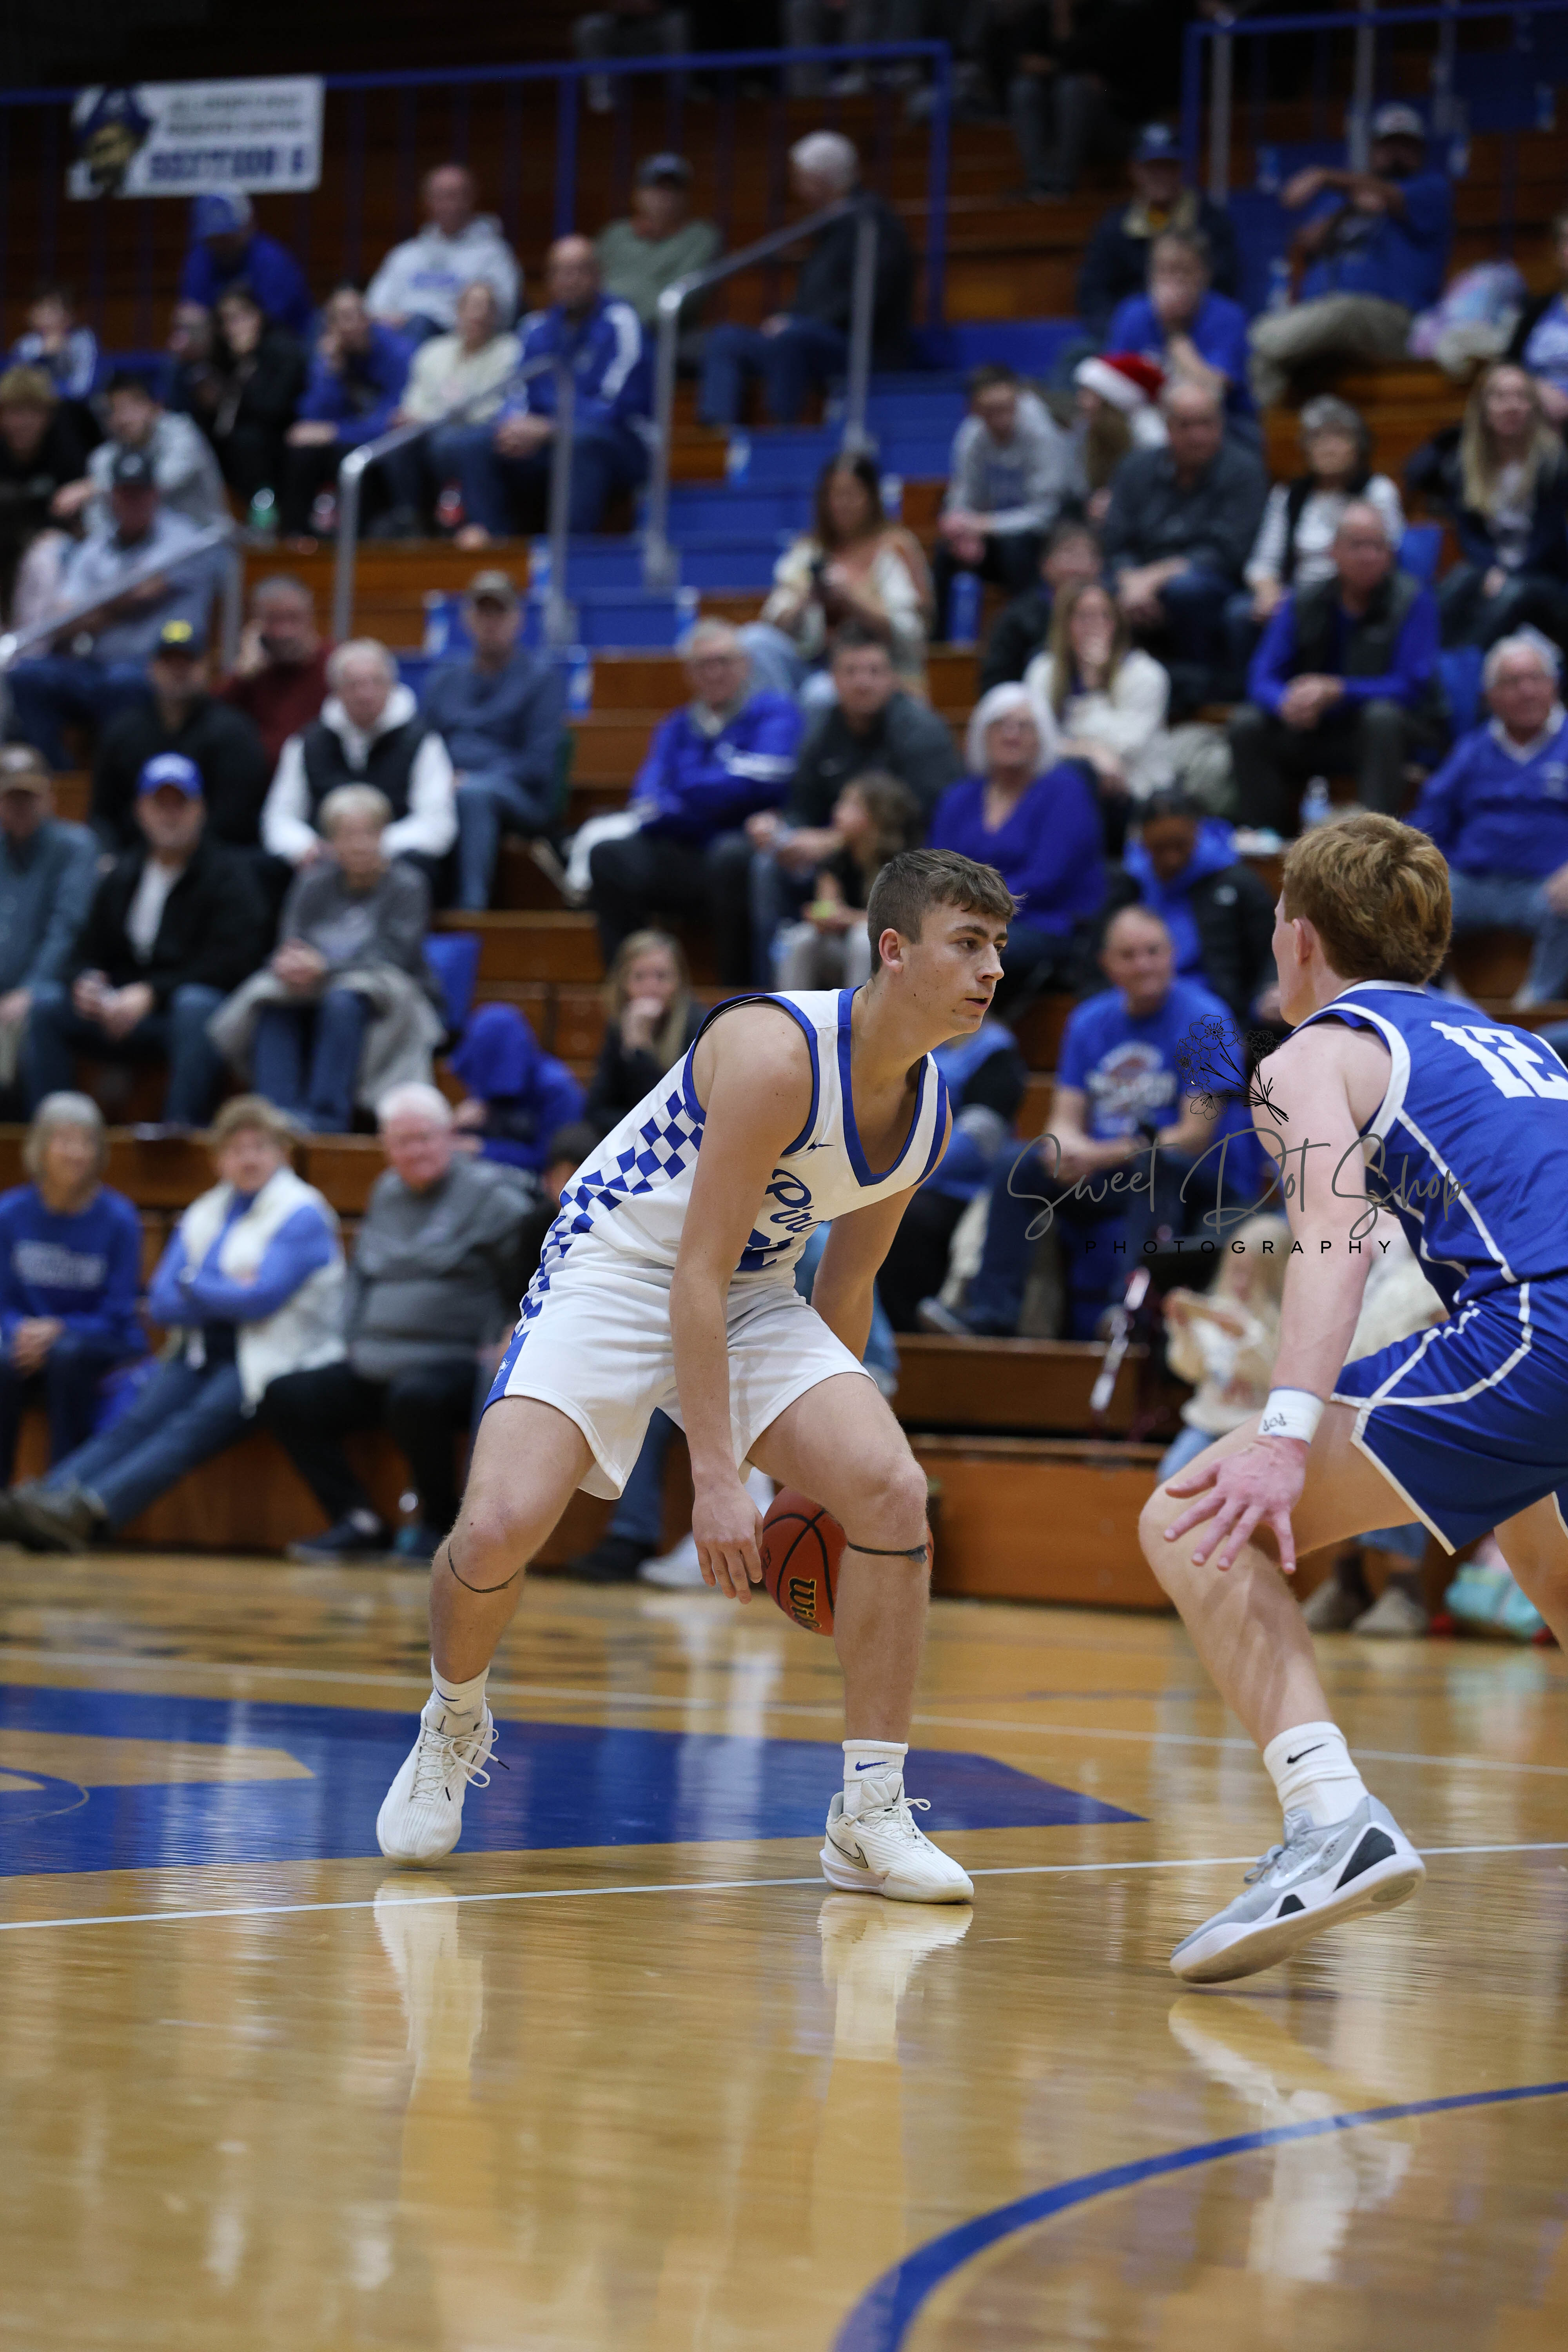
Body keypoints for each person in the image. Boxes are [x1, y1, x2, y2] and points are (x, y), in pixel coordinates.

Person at [369, 844, 1010, 1899]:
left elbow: (846, 1284)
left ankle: (869, 1813)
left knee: (892, 1492)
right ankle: (452, 1718)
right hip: (617, 1266)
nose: (992, 969)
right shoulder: (775, 1054)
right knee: (494, 1529)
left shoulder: (927, 1111)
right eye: (969, 943)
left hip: (752, 1291)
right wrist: (719, 1480)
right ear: (894, 951)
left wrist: (813, 1476)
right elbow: (690, 1276)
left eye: (998, 947)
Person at [1129, 809, 1568, 1982]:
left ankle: (1330, 1819)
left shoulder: (1308, 1055)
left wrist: (1279, 1435)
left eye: (1279, 917)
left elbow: (1331, 1232)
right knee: (1546, 1556)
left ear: (1302, 937)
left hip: (1541, 1328)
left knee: (1190, 1517)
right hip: (1542, 1331)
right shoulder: (1513, 1043)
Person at [0, 1096, 345, 1553]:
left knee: (183, 1433)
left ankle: (86, 1513)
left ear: (283, 1153)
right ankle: (43, 1501)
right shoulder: (207, 1209)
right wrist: (223, 1290)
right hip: (200, 1348)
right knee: (136, 1421)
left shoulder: (303, 1212)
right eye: (236, 1149)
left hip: (270, 1359)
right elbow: (162, 1303)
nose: (248, 1159)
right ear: (218, 1160)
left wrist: (195, 1285)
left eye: (260, 1147)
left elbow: (258, 1301)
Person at [918, 904, 1238, 1340]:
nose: (1143, 964)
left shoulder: (1206, 1020)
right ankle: (991, 1314)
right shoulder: (1088, 1020)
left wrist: (1098, 1154)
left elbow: (1192, 1137)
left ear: (1173, 954)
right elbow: (1063, 1121)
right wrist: (1065, 1149)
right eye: (1129, 955)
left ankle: (1126, 1313)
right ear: (1107, 964)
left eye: (1153, 952)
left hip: (1185, 1177)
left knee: (1155, 1167)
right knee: (1018, 1163)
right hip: (1105, 1171)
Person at [258, 1082, 531, 1564]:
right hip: (373, 1363)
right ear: (386, 1148)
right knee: (286, 1396)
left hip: (453, 1363)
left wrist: (510, 1329)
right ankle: (356, 1519)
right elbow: (362, 1275)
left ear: (449, 1137)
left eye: (425, 1138)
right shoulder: (385, 1191)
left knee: (414, 1396)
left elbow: (535, 1258)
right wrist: (348, 1339)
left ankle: (439, 1525)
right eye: (402, 1142)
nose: (415, 1151)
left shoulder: (491, 1196)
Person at [24, 753, 269, 1129]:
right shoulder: (122, 874)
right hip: (116, 1011)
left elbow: (234, 962)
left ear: (200, 810)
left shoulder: (229, 876)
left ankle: (180, 1130)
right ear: (141, 810)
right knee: (46, 1007)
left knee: (196, 1005)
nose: (170, 815)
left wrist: (153, 993)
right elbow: (83, 951)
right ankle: (53, 1130)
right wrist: (86, 984)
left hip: (177, 1016)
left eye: (180, 804)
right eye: (160, 804)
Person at [211, 786, 444, 1134]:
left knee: (342, 1000)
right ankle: (277, 1116)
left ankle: (327, 1119)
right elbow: (291, 941)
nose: (360, 844)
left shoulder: (409, 885)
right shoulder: (312, 882)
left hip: (388, 992)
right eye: (349, 835)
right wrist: (290, 963)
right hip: (313, 986)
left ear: (385, 836)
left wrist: (327, 967)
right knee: (273, 1000)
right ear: (330, 842)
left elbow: (394, 955)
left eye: (369, 833)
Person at [587, 620, 802, 984]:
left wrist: (684, 793)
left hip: (741, 849)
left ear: (746, 665)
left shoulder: (774, 711)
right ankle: (628, 989)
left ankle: (735, 995)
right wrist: (720, 794)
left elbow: (768, 778)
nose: (715, 673)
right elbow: (646, 804)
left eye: (724, 661)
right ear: (689, 674)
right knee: (608, 856)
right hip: (686, 851)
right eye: (704, 665)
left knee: (730, 857)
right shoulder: (674, 727)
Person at [746, 627, 960, 969]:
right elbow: (802, 806)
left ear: (893, 678)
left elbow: (924, 818)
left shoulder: (922, 732)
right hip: (836, 861)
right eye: (851, 672)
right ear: (833, 679)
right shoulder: (821, 729)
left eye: (875, 671)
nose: (863, 683)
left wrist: (837, 838)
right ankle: (764, 982)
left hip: (904, 859)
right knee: (767, 865)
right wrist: (782, 832)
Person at [1229, 501, 1443, 838]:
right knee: (1247, 724)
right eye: (1358, 545)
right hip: (1312, 727)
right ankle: (1264, 838)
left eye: (1378, 546)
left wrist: (1339, 690)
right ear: (1334, 551)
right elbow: (1261, 675)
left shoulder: (1413, 601)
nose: (1369, 556)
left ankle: (1375, 842)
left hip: (1378, 737)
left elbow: (1411, 686)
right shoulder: (1304, 599)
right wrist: (1286, 702)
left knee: (1381, 718)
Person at [6, 452, 227, 771]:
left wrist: (98, 607)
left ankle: (117, 782)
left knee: (123, 684)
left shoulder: (185, 539)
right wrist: (121, 604)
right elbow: (63, 619)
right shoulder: (96, 547)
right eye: (125, 493)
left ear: (155, 495)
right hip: (96, 664)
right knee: (28, 675)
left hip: (154, 666)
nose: (133, 501)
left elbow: (144, 590)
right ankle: (56, 777)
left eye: (140, 492)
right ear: (112, 498)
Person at [698, 131, 914, 426]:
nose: (797, 188)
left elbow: (872, 297)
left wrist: (800, 324)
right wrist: (787, 318)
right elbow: (814, 293)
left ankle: (782, 432)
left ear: (823, 179)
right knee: (726, 339)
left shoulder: (870, 222)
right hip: (811, 334)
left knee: (791, 338)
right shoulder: (828, 224)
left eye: (801, 179)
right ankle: (717, 434)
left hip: (861, 348)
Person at [1249, 103, 1454, 411]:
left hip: (1395, 322)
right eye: (1388, 145)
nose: (1396, 153)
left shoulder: (1432, 189)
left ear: (1421, 151)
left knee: (1343, 310)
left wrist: (1323, 176)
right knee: (1270, 362)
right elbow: (1307, 240)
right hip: (1326, 323)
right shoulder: (1342, 201)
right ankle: (1262, 431)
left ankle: (1253, 340)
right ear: (1373, 150)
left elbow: (1392, 196)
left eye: (1406, 145)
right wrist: (1346, 211)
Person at [443, 238, 650, 542]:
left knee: (581, 442)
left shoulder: (621, 322)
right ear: (550, 279)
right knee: (472, 443)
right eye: (561, 272)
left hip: (620, 441)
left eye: (579, 271)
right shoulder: (535, 328)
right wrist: (515, 427)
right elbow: (516, 392)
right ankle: (493, 544)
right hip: (548, 440)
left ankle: (569, 551)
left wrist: (551, 428)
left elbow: (615, 405)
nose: (570, 280)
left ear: (598, 275)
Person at [1297, 1224, 1446, 1641]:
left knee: (1394, 1452)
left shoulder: (1443, 1275)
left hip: (1414, 1406)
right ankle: (1347, 1582)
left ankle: (1405, 1590)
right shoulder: (1380, 1272)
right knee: (1326, 1456)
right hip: (1357, 1396)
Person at [1410, 631, 1568, 1007]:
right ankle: (1442, 1003)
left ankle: (1534, 1011)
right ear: (1490, 696)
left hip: (1547, 888)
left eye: (1536, 679)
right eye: (1512, 682)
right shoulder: (1472, 750)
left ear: (1555, 685)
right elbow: (1428, 819)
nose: (1526, 691)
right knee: (1412, 898)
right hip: (1473, 883)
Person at [927, 684, 1104, 1008]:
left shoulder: (1065, 791)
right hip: (963, 921)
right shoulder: (958, 798)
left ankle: (969, 1035)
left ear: (1043, 738)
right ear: (982, 734)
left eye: (1025, 726)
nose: (1012, 734)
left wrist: (970, 909)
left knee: (963, 952)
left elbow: (1047, 878)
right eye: (1001, 724)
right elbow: (935, 871)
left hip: (1042, 923)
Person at [0, 1093, 144, 1485]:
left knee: (67, 1355)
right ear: (40, 1148)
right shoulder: (9, 1214)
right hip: (27, 1341)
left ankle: (62, 1490)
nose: (77, 1154)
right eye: (65, 1141)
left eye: (87, 1142)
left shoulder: (120, 1219)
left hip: (99, 1342)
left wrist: (59, 1329)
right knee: (3, 1358)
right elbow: (3, 1301)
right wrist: (19, 1332)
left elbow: (118, 1313)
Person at [1102, 381, 1267, 710]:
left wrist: (1153, 579)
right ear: (1167, 427)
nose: (1198, 436)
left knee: (1186, 589)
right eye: (1186, 425)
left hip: (1213, 582)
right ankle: (1107, 689)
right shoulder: (1135, 468)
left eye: (1207, 424)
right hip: (1137, 581)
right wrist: (1131, 580)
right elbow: (1115, 542)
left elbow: (1229, 551)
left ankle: (1203, 690)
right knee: (1091, 593)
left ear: (1221, 424)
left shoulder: (1245, 470)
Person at [423, 571, 568, 911]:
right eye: (482, 612)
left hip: (521, 795)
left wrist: (469, 779)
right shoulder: (442, 681)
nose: (491, 622)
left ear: (518, 619)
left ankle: (472, 909)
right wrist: (440, 778)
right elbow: (426, 747)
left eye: (499, 612)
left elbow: (539, 763)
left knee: (474, 794)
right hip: (447, 785)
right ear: (467, 619)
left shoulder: (542, 680)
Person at [873, 1013, 1028, 1333]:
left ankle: (907, 1338)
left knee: (906, 1218)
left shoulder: (995, 1052)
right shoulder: (907, 1041)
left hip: (962, 1190)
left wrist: (903, 1173)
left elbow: (979, 1141)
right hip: (898, 1176)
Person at [1232, 397, 1406, 679]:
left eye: (1339, 437)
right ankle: (1254, 690)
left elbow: (1389, 554)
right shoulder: (1289, 496)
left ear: (1358, 445)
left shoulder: (1377, 491)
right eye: (1318, 438)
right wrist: (1268, 591)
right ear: (1305, 447)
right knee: (1240, 612)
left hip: (1355, 593)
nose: (1329, 447)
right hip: (1295, 595)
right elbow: (1263, 560)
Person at [744, 452, 934, 701]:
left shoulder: (895, 548)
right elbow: (772, 623)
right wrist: (806, 599)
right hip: (812, 662)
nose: (843, 504)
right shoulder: (808, 551)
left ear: (871, 498)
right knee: (754, 641)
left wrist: (852, 600)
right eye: (835, 495)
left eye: (852, 494)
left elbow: (914, 633)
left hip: (876, 667)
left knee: (821, 694)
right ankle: (779, 719)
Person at [1405, 362, 1568, 653]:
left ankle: (1463, 665)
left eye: (1521, 397)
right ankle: (1423, 660)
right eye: (1500, 397)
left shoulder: (1554, 463)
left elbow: (1551, 538)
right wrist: (1492, 570)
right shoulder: (1463, 466)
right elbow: (1470, 536)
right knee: (1457, 582)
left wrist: (1508, 574)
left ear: (1534, 407)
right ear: (1483, 407)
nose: (1511, 406)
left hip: (1545, 577)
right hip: (1489, 569)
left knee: (1509, 592)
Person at [262, 639, 457, 877]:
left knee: (421, 870)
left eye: (375, 682)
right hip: (320, 861)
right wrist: (306, 846)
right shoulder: (305, 743)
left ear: (392, 685)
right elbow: (279, 818)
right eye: (354, 684)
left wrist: (368, 847)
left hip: (395, 863)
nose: (365, 694)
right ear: (335, 690)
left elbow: (438, 825)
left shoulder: (424, 741)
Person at [91, 618, 272, 855]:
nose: (178, 671)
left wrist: (180, 857)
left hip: (213, 863)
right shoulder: (123, 731)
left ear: (206, 666)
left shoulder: (234, 733)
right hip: (133, 862)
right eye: (169, 662)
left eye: (188, 661)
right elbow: (102, 813)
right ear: (151, 668)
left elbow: (239, 817)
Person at [932, 365, 1085, 640]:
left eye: (1007, 408)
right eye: (990, 411)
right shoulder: (971, 436)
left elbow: (1046, 512)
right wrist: (961, 531)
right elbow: (963, 494)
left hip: (1043, 534)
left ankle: (1029, 637)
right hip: (994, 532)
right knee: (946, 554)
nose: (1001, 419)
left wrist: (984, 525)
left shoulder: (1042, 432)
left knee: (1018, 549)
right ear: (974, 410)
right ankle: (939, 646)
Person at [1114, 789, 1278, 1023]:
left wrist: (1268, 992)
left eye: (1180, 845)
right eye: (1159, 848)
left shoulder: (1238, 883)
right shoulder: (1128, 886)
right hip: (1138, 1008)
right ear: (1142, 841)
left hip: (1225, 1017)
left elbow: (1273, 947)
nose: (1172, 858)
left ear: (1197, 831)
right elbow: (1097, 960)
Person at [1023, 577, 1173, 829]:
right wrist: (1094, 753)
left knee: (1082, 776)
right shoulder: (1044, 670)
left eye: (1106, 617)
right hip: (1065, 785)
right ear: (1066, 624)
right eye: (1084, 617)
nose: (1096, 626)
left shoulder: (1146, 674)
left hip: (1136, 790)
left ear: (1118, 624)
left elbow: (1125, 744)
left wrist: (1092, 687)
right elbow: (1035, 738)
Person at [1156, 1211, 1291, 1483]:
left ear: (1276, 1277)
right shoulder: (1217, 1309)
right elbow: (1191, 1370)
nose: (1241, 1283)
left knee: (1241, 1484)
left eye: (1253, 1276)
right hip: (1207, 1424)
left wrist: (1246, 1336)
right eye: (1236, 1271)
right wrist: (1184, 1330)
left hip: (1257, 1429)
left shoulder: (1286, 1323)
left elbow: (1275, 1376)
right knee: (1171, 1478)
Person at [1077, 122, 1240, 344]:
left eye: (1168, 167)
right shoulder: (1114, 226)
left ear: (1181, 170)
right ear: (1135, 171)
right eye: (1153, 167)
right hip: (1129, 335)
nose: (1161, 175)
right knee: (1077, 354)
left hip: (1198, 336)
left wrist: (1182, 323)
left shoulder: (1211, 222)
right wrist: (1124, 332)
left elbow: (1224, 283)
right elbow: (1093, 292)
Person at [379, 283, 522, 534]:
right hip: (432, 432)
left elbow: (489, 410)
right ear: (458, 311)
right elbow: (414, 404)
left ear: (496, 316)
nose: (478, 314)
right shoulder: (432, 352)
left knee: (452, 444)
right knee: (398, 441)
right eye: (472, 306)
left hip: (482, 432)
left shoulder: (509, 351)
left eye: (486, 307)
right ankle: (409, 522)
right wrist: (415, 418)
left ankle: (479, 527)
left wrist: (428, 420)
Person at [0, 748, 97, 1113]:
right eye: (12, 797)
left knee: (38, 1012)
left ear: (50, 798)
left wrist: (30, 990)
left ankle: (42, 1131)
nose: (21, 807)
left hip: (51, 988)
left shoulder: (75, 846)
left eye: (30, 797)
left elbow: (67, 928)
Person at [281, 288, 412, 539]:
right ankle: (296, 539)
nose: (351, 325)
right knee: (302, 452)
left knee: (349, 458)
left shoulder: (398, 353)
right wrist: (330, 371)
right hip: (347, 438)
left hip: (385, 447)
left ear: (368, 319)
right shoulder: (332, 356)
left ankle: (355, 542)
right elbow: (312, 416)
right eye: (341, 319)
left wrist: (335, 432)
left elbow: (393, 422)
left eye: (357, 316)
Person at [771, 773, 923, 989]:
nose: (838, 810)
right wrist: (820, 915)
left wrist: (847, 918)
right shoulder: (836, 859)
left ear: (877, 815)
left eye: (852, 805)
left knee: (863, 939)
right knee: (800, 939)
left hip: (894, 954)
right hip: (842, 948)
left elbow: (899, 923)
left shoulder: (900, 864)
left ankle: (859, 1008)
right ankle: (790, 1008)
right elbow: (827, 907)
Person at [172, 284, 308, 512]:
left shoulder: (282, 349)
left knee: (248, 441)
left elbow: (274, 407)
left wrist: (247, 367)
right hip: (230, 439)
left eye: (239, 318)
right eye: (226, 321)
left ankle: (264, 512)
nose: (233, 328)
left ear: (258, 316)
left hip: (278, 436)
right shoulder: (222, 354)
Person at [1106, 229, 1254, 430]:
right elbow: (1112, 386)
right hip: (1145, 424)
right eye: (1164, 271)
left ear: (1205, 274)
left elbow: (1213, 393)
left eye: (1184, 271)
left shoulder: (1228, 317)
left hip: (1221, 427)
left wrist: (1175, 333)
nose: (1174, 282)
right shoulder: (1133, 314)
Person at [366, 164, 521, 341]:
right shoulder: (406, 253)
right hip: (399, 337)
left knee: (421, 325)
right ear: (427, 201)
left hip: (457, 343)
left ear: (471, 199)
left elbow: (503, 313)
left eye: (454, 195)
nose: (448, 205)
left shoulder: (494, 254)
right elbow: (374, 307)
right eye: (439, 196)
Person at [584, 929, 705, 1137]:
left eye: (661, 977)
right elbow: (595, 1111)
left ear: (679, 982)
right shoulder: (620, 1026)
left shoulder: (697, 1027)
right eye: (639, 977)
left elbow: (670, 1112)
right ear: (623, 983)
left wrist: (640, 1049)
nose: (651, 987)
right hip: (631, 1134)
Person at [80, 369, 228, 534]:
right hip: (146, 547)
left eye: (130, 407)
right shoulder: (104, 456)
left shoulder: (182, 432)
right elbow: (97, 518)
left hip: (203, 537)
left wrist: (96, 488)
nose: (122, 419)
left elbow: (162, 481)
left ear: (155, 406)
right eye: (113, 410)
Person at [446, 1002, 585, 1173]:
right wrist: (455, 1125)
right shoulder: (486, 1082)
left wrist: (484, 1149)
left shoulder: (556, 1089)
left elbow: (553, 1162)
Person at [0, 366, 89, 624]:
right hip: (5, 540)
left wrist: (87, 487)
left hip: (51, 541)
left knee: (45, 559)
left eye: (32, 412)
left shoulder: (66, 446)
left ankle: (33, 645)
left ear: (48, 415)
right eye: (14, 412)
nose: (22, 422)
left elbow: (84, 497)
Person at [595, 153, 720, 334]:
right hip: (603, 330)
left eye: (673, 188)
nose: (664, 195)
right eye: (656, 187)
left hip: (665, 335)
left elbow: (683, 298)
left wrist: (623, 318)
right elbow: (592, 286)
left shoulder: (700, 237)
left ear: (686, 197)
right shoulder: (615, 234)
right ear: (638, 194)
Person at [978, 516, 1101, 694]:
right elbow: (996, 686)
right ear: (1046, 564)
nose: (1078, 566)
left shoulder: (1114, 614)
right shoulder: (1017, 619)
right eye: (1069, 553)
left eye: (1086, 555)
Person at [220, 575, 330, 766]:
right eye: (274, 620)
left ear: (310, 616)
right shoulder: (252, 674)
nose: (285, 632)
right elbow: (210, 722)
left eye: (293, 618)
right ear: (256, 623)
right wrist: (243, 674)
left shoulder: (334, 665)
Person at [178, 192, 314, 339]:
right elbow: (192, 313)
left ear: (248, 226)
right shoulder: (201, 258)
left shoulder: (272, 260)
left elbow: (271, 323)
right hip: (222, 343)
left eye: (229, 236)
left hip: (284, 340)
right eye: (215, 238)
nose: (223, 244)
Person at [1073, 350, 1166, 524]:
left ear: (1112, 401)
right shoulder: (1088, 431)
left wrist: (1117, 503)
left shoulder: (1152, 439)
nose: (1080, 402)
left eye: (1088, 394)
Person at [1505, 205, 1568, 425]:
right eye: (1567, 240)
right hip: (1534, 425)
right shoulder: (1537, 309)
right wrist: (1532, 390)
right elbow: (1507, 367)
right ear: (1556, 252)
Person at [573, 0, 691, 115]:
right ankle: (601, 96)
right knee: (589, 26)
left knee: (676, 22)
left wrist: (656, 5)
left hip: (658, 22)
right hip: (620, 25)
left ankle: (680, 93)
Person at [7, 286, 98, 407]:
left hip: (72, 406)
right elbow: (16, 383)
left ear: (69, 314)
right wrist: (44, 356)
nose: (46, 314)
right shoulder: (26, 344)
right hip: (34, 405)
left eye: (52, 309)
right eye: (40, 308)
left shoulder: (83, 339)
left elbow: (82, 386)